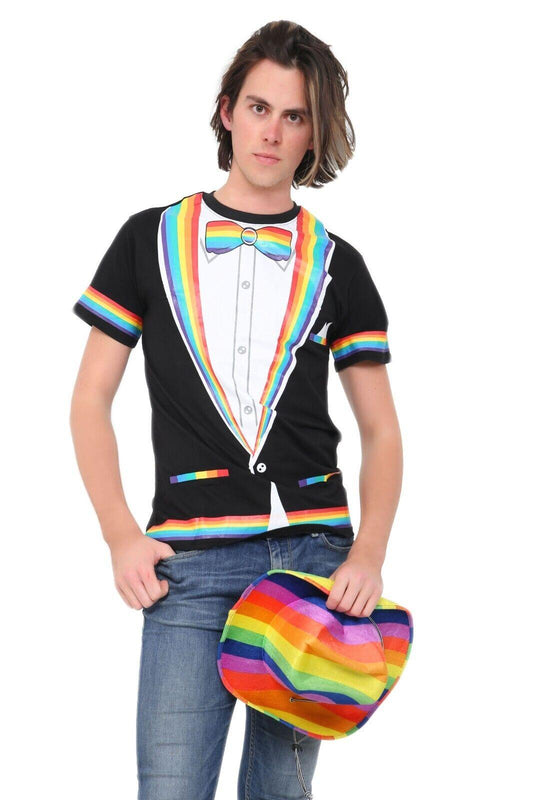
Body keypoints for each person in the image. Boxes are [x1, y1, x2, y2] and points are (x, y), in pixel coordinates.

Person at [70, 19, 403, 800]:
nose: (272, 133)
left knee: (278, 793)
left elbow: (381, 429)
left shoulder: (338, 264)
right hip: (189, 562)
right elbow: (89, 399)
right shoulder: (148, 239)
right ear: (227, 112)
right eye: (258, 108)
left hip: (314, 563)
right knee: (170, 786)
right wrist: (120, 534)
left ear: (314, 132)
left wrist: (367, 554)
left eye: (294, 116)